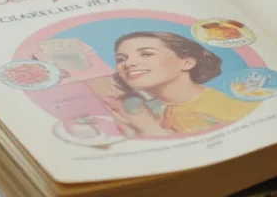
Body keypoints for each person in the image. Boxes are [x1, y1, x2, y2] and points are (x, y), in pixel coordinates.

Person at [105, 31, 256, 136]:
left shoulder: (224, 107)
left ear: (186, 62)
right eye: (121, 59)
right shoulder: (159, 108)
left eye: (146, 54)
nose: (128, 64)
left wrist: (150, 129)